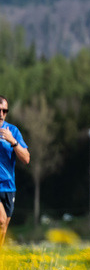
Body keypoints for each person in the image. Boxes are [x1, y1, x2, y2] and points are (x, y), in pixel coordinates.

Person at [0, 96, 30, 248]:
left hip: (9, 187)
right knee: (1, 220)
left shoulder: (13, 131)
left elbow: (26, 159)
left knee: (3, 229)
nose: (1, 113)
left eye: (4, 111)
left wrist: (13, 142)